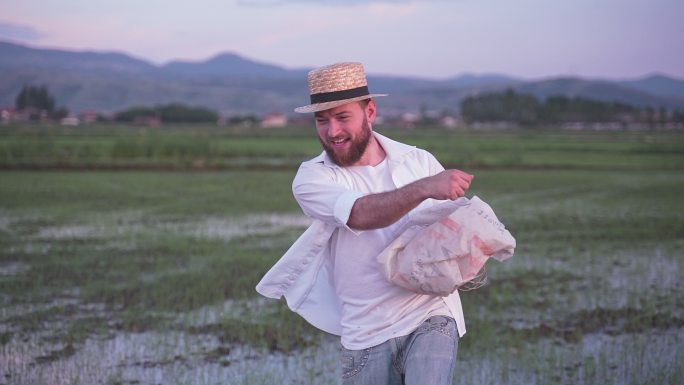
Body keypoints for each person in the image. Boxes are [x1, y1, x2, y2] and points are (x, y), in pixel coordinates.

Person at [256, 62, 473, 385]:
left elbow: (452, 232)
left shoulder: (418, 160)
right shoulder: (313, 177)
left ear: (369, 112)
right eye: (322, 120)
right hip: (365, 330)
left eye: (342, 117)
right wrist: (426, 187)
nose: (332, 131)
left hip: (430, 313)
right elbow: (360, 214)